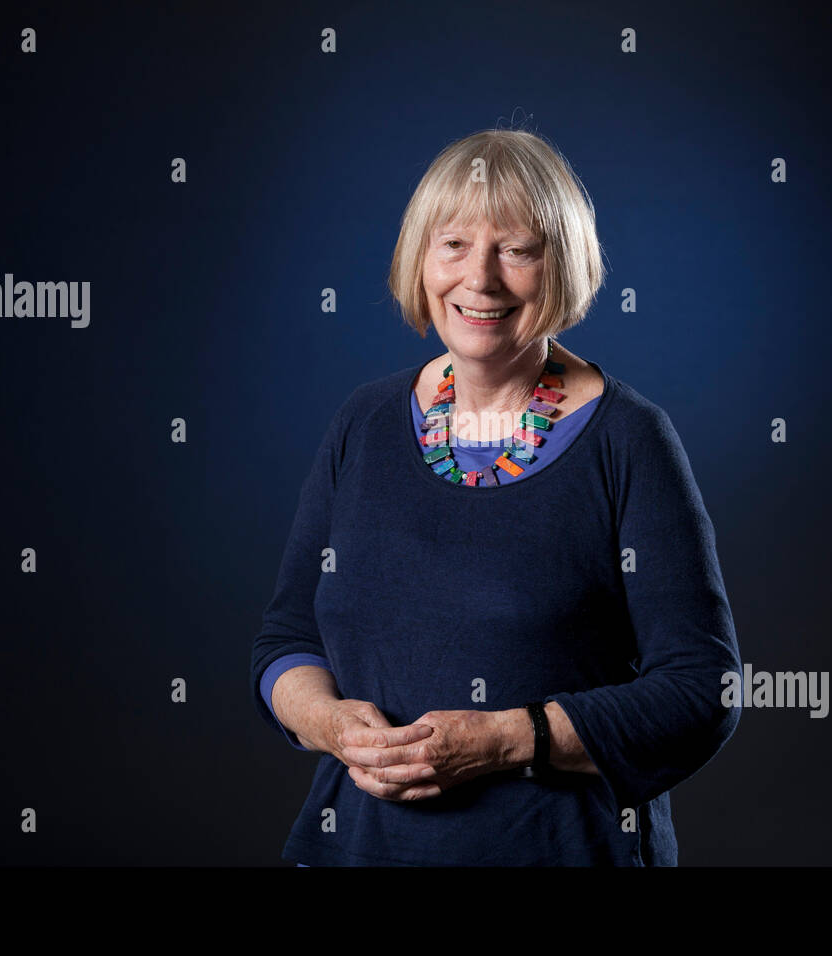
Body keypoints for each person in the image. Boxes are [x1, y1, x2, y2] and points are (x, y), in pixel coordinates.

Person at [249, 128, 741, 866]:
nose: (479, 279)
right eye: (452, 244)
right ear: (420, 259)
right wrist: (328, 723)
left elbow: (706, 690)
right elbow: (288, 639)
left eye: (516, 249)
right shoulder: (365, 422)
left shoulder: (629, 439)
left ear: (562, 267)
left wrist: (509, 740)